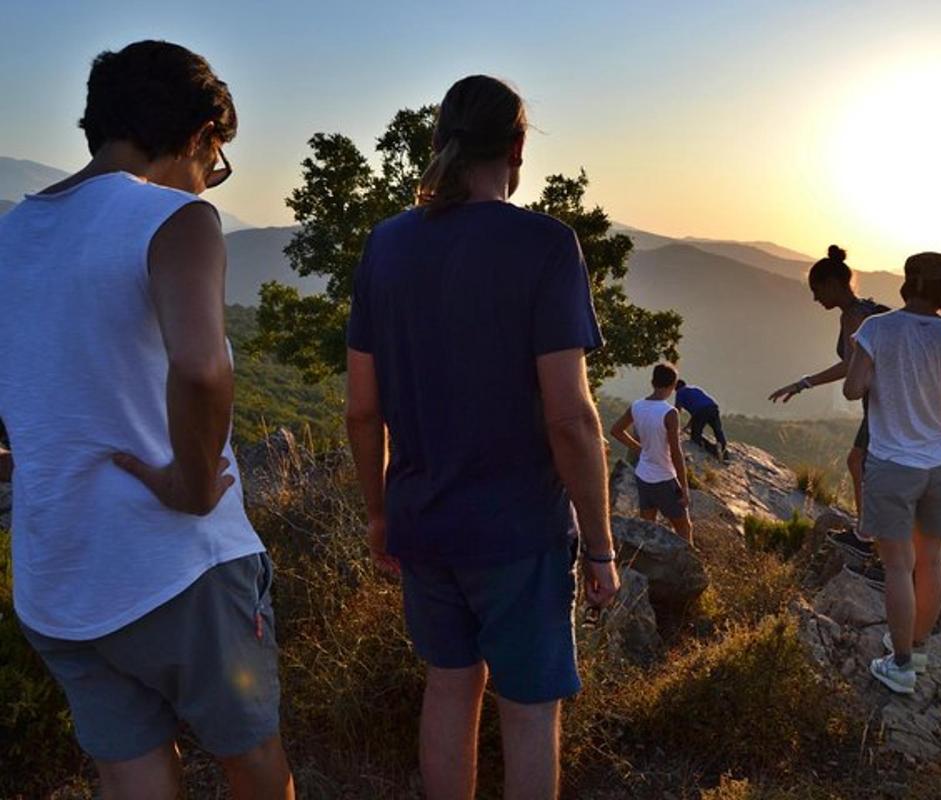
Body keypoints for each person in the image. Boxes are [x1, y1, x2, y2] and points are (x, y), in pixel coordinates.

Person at [0, 41, 293, 798]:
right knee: (254, 762)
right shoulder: (177, 219)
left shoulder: (8, 237)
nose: (210, 179)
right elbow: (202, 367)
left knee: (131, 775)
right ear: (199, 136)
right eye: (216, 159)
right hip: (176, 566)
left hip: (58, 576)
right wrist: (194, 484)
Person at [344, 75, 620, 800]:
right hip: (517, 530)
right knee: (528, 711)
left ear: (441, 142)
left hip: (422, 521)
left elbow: (361, 411)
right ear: (517, 146)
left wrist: (380, 515)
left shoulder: (387, 245)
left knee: (449, 685)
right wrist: (599, 545)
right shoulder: (546, 246)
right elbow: (570, 417)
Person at [844, 252, 941, 695]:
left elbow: (852, 390)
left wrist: (872, 372)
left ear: (908, 284)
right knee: (931, 561)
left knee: (897, 567)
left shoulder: (877, 329)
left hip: (893, 462)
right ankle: (917, 646)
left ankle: (901, 663)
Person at [769, 245, 888, 556]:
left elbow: (851, 365)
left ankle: (867, 536)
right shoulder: (869, 309)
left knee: (859, 461)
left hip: (881, 406)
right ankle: (874, 533)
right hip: (891, 403)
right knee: (868, 463)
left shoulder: (852, 316)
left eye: (816, 289)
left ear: (833, 284)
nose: (815, 298)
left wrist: (803, 383)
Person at [609, 363, 694, 544]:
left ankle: (646, 564)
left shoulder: (637, 406)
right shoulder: (669, 412)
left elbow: (616, 431)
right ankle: (688, 569)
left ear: (652, 382)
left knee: (648, 526)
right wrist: (684, 489)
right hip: (664, 476)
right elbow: (676, 452)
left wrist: (639, 449)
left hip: (643, 474)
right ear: (673, 386)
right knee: (684, 527)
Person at [675, 378, 729, 461]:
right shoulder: (695, 389)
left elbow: (677, 410)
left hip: (701, 412)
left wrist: (674, 426)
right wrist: (687, 426)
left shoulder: (680, 393)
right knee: (718, 430)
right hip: (713, 407)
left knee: (695, 436)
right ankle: (724, 453)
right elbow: (696, 413)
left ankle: (713, 450)